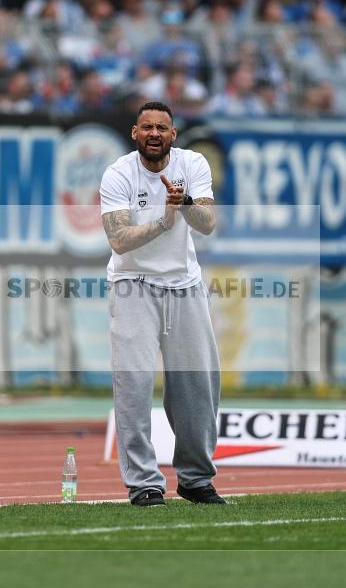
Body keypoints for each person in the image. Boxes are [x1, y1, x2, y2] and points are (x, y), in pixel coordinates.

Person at [100, 101, 225, 506]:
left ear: (173, 135)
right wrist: (163, 221)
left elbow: (208, 223)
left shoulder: (193, 164)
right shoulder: (118, 173)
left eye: (162, 127)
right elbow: (118, 240)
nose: (154, 133)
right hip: (133, 284)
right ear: (135, 134)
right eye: (147, 127)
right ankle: (144, 483)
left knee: (198, 386)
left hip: (184, 285)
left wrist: (184, 203)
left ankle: (195, 479)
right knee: (134, 385)